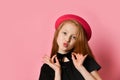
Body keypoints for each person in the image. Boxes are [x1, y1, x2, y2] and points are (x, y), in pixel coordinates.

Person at [39, 14, 102, 80]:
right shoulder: (47, 67)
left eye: (74, 37)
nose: (67, 39)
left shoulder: (85, 60)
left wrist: (81, 68)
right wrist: (57, 71)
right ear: (57, 33)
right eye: (65, 33)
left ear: (78, 41)